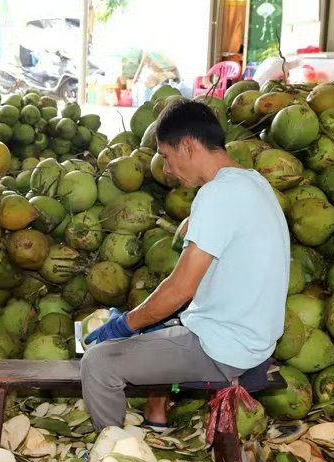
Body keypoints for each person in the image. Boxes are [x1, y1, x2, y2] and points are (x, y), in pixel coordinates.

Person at [80, 100, 290, 432]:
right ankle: (157, 420)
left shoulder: (217, 194)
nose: (166, 170)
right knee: (159, 327)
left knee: (98, 363)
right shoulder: (253, 183)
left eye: (166, 156)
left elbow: (180, 290)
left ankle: (111, 453)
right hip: (254, 340)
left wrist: (124, 327)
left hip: (225, 349)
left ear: (188, 146)